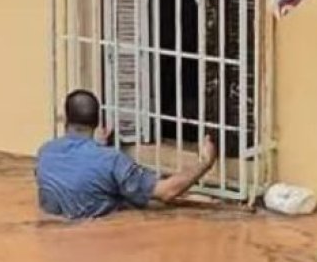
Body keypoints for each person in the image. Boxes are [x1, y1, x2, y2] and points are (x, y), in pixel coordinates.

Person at [35, 90, 218, 219]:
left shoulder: (45, 153)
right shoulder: (111, 160)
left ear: (66, 119)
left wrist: (97, 147)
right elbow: (166, 192)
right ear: (98, 122)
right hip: (99, 234)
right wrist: (205, 162)